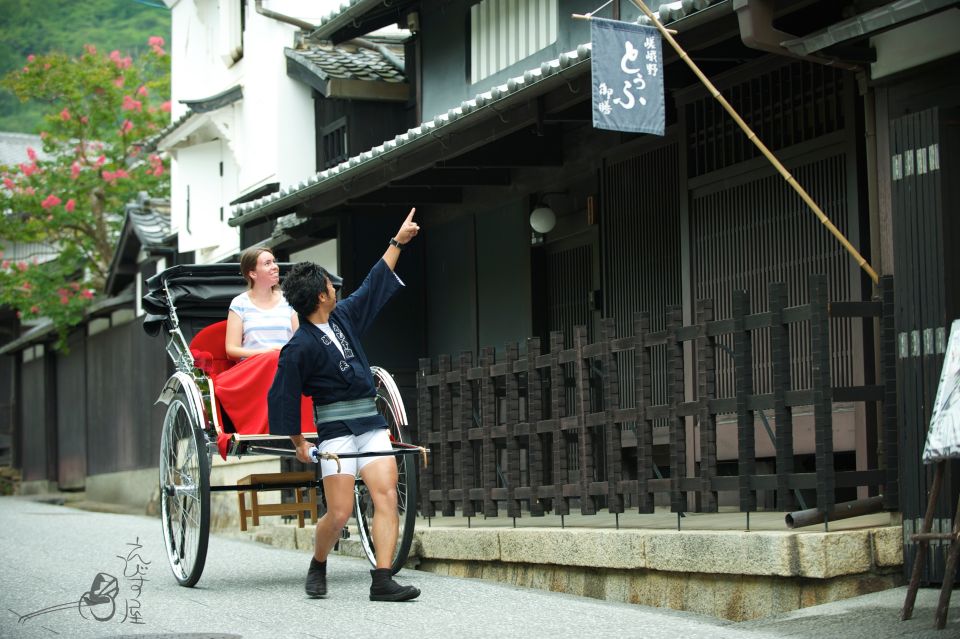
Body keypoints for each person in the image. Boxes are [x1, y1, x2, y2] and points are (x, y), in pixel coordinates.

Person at [268, 208, 420, 602]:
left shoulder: (345, 318)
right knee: (338, 514)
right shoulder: (298, 348)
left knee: (385, 495)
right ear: (321, 295)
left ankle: (382, 578)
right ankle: (319, 562)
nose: (337, 288)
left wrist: (397, 242)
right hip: (335, 434)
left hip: (370, 423)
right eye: (330, 285)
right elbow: (283, 396)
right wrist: (300, 443)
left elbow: (372, 286)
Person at [225, 246, 299, 360]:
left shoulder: (288, 299)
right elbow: (231, 349)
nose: (275, 267)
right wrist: (265, 353)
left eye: (274, 262)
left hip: (285, 367)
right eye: (267, 263)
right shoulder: (239, 303)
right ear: (253, 274)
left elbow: (299, 341)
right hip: (254, 369)